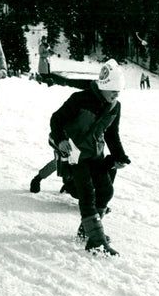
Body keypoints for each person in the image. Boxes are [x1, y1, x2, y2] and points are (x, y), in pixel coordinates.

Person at [49, 59, 130, 255]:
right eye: (113, 89)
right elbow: (56, 119)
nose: (116, 94)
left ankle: (87, 230)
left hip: (95, 155)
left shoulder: (114, 107)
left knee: (106, 191)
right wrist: (60, 140)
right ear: (103, 85)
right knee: (87, 193)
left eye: (119, 91)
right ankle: (96, 240)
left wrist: (120, 155)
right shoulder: (80, 99)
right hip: (75, 155)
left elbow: (111, 133)